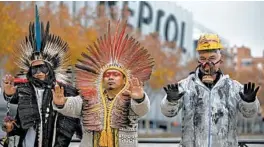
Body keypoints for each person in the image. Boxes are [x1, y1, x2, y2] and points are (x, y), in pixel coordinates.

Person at [52, 21, 154, 147]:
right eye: (107, 75)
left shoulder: (131, 99)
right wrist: (61, 103)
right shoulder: (90, 97)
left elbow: (142, 110)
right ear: (102, 79)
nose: (110, 77)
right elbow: (73, 105)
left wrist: (139, 98)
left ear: (124, 79)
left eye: (115, 75)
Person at [160, 34, 260, 147]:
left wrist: (250, 102)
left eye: (212, 58)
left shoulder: (233, 87)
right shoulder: (185, 86)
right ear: (198, 59)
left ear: (220, 59)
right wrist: (171, 100)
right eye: (203, 59)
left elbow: (249, 114)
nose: (207, 63)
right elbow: (167, 112)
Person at [2, 6, 82, 147]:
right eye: (34, 68)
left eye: (42, 67)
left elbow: (68, 125)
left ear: (50, 69)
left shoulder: (63, 90)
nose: (38, 71)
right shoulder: (25, 90)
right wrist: (10, 127)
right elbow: (20, 123)